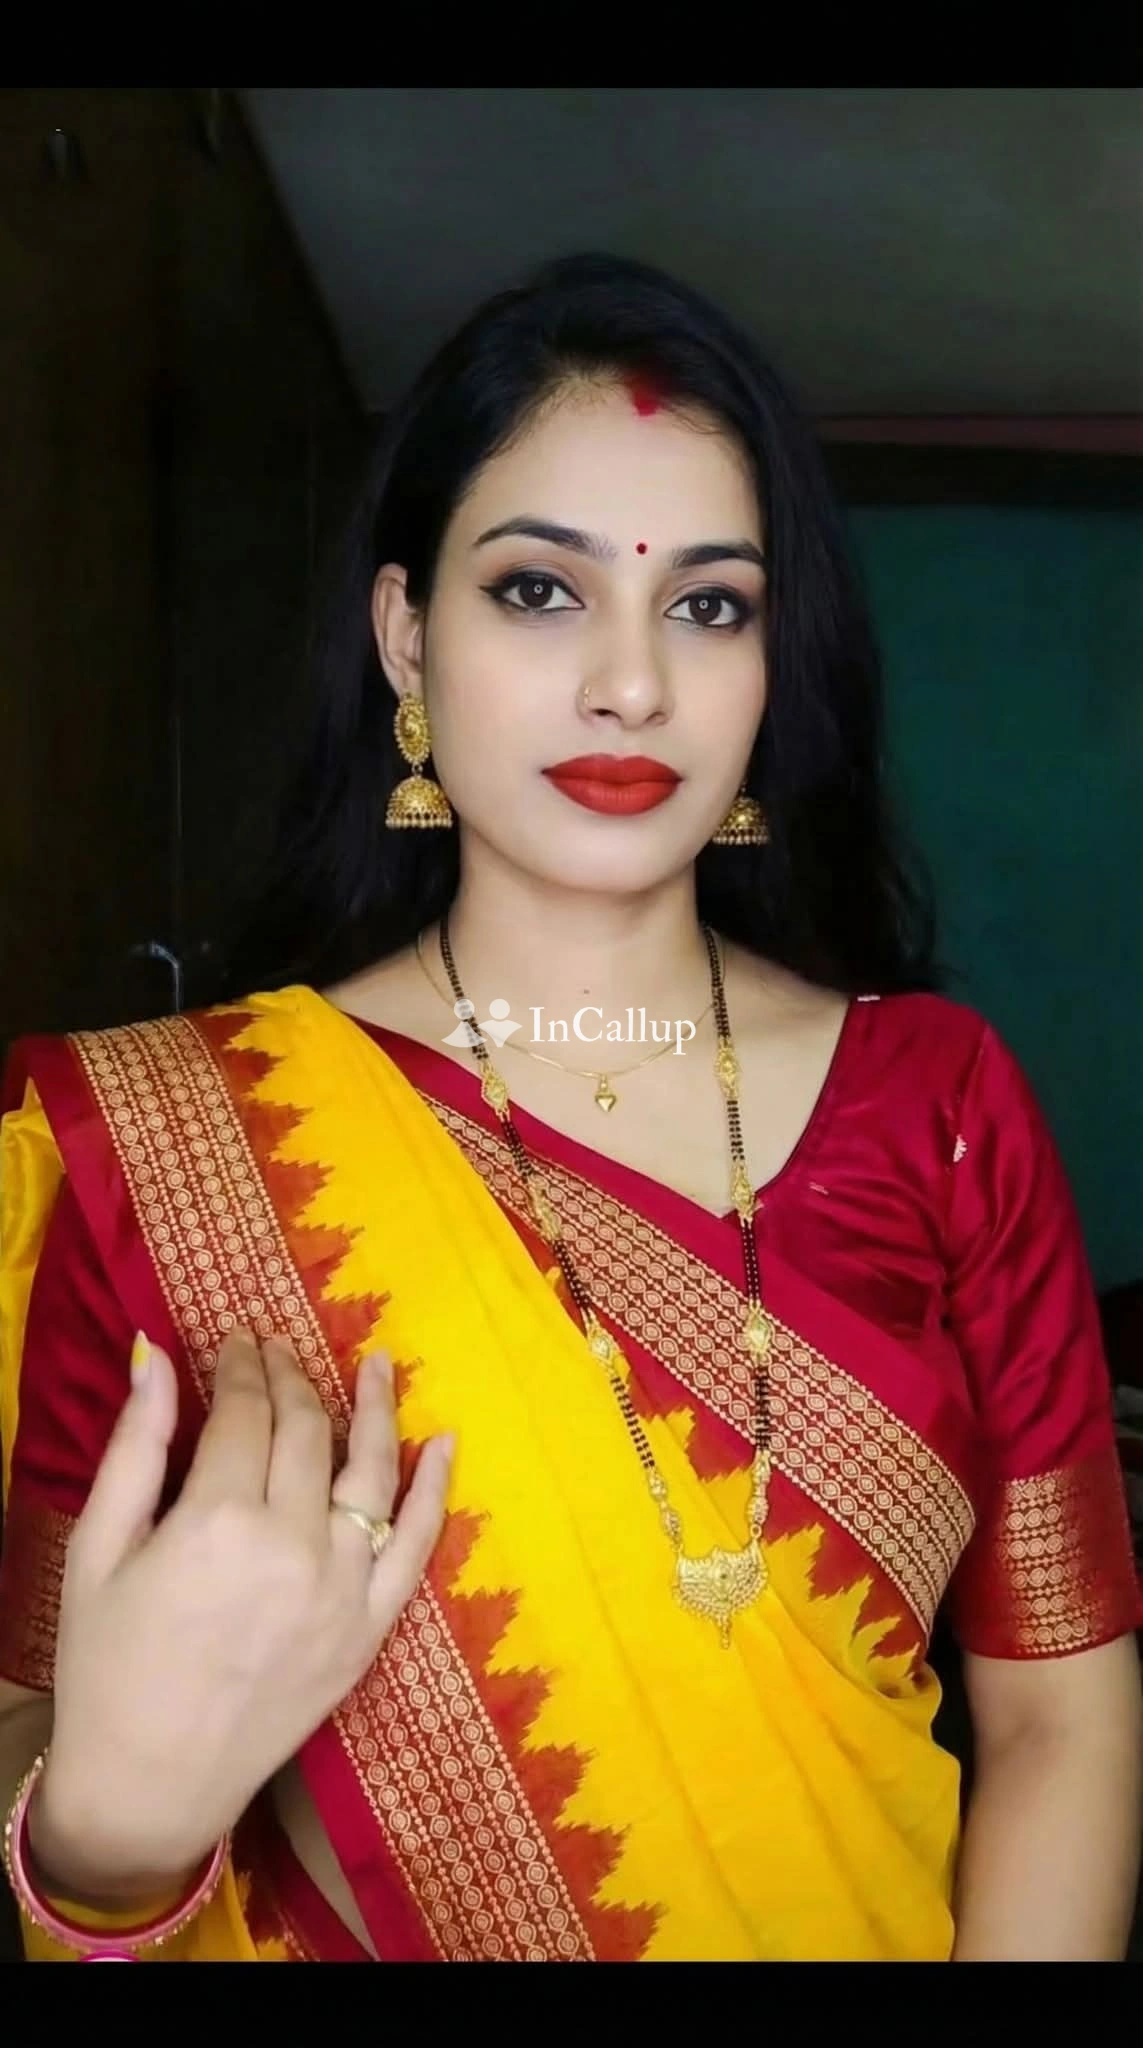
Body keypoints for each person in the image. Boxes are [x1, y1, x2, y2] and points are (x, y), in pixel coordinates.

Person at [0, 252, 1140, 1965]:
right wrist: (114, 1832)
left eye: (709, 605)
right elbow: (34, 1711)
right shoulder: (151, 1143)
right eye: (539, 591)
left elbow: (1057, 1710)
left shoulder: (940, 1105)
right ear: (406, 634)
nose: (631, 684)